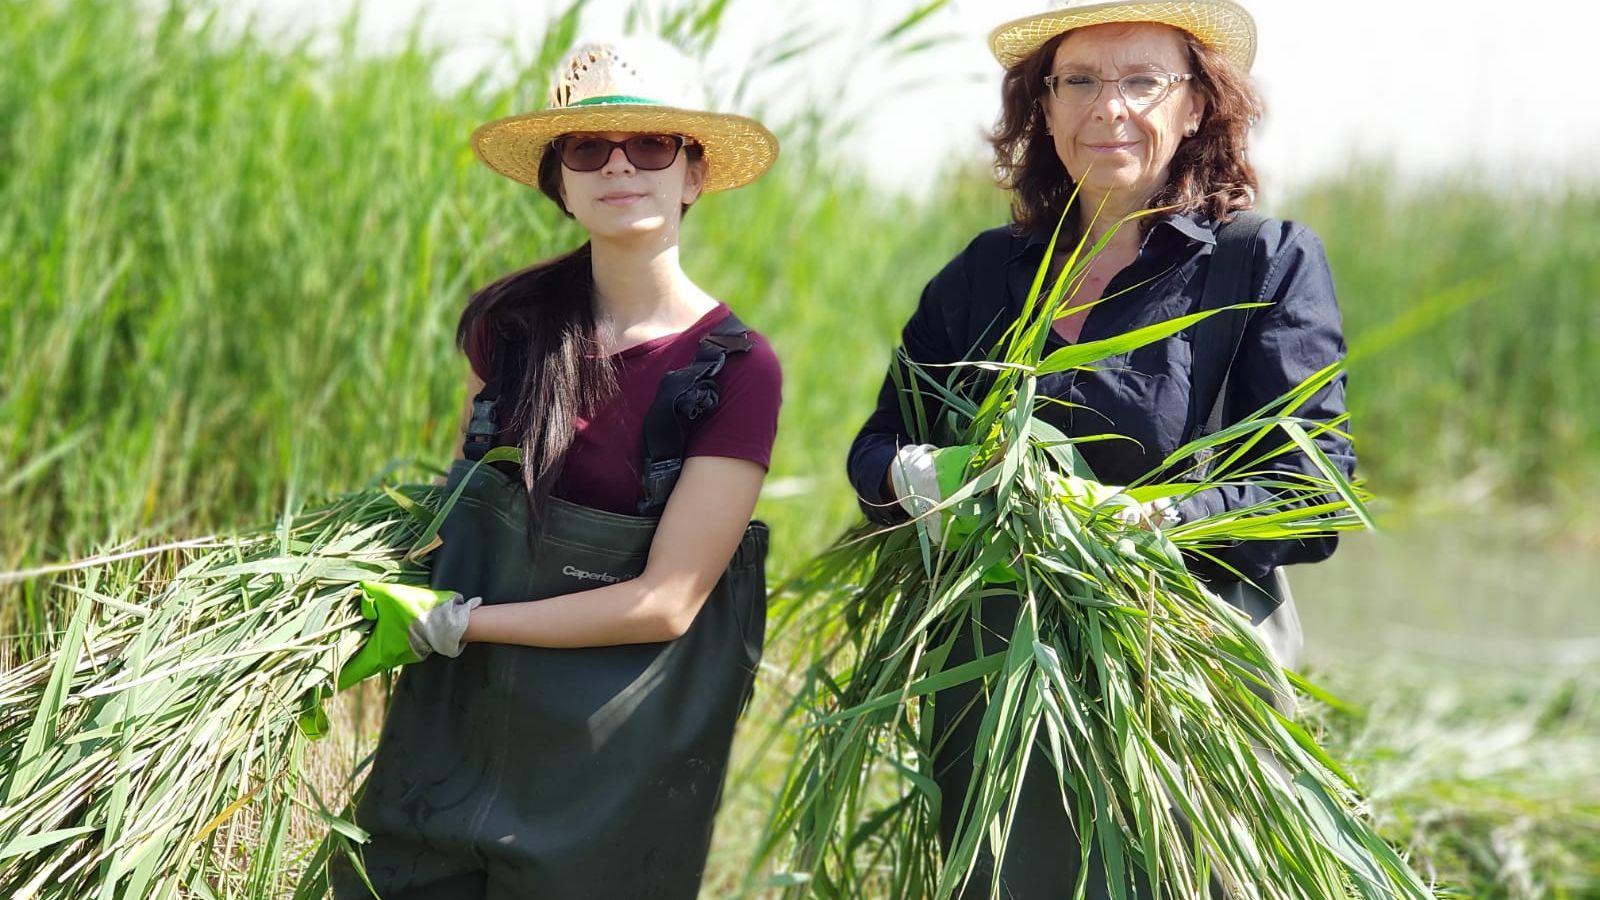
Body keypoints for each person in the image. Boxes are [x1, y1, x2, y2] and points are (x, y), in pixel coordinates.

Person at [845, 0, 1352, 895]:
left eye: (1140, 81)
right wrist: (919, 476)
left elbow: (1311, 491)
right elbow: (879, 445)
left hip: (1181, 682)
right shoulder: (983, 275)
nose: (1106, 107)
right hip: (997, 682)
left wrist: (1154, 517)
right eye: (1078, 80)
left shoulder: (1262, 262)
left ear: (1197, 104)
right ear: (1041, 107)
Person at [329, 36, 783, 900]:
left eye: (652, 145)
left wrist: (466, 622)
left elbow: (667, 601)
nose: (620, 167)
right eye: (587, 148)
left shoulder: (735, 369)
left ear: (693, 175)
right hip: (456, 734)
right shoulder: (510, 323)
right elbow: (465, 498)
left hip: (611, 754)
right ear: (561, 182)